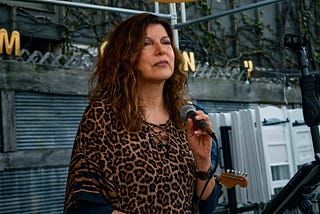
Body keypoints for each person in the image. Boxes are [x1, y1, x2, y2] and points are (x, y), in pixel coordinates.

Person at [64, 13, 221, 214]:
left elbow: (207, 207)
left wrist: (203, 161)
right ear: (126, 55)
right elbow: (84, 204)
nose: (161, 50)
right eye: (147, 43)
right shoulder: (102, 114)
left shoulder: (189, 117)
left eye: (166, 42)